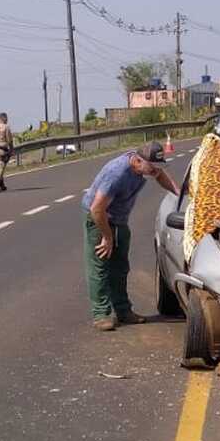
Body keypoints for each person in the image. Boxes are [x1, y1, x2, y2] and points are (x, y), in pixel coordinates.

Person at [82, 141, 179, 331]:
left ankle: (123, 310)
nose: (155, 171)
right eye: (152, 167)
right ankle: (101, 314)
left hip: (119, 218)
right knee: (100, 267)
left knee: (120, 267)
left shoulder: (145, 168)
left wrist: (179, 192)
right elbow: (97, 209)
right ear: (137, 161)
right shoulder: (116, 174)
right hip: (99, 219)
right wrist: (107, 237)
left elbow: (160, 176)